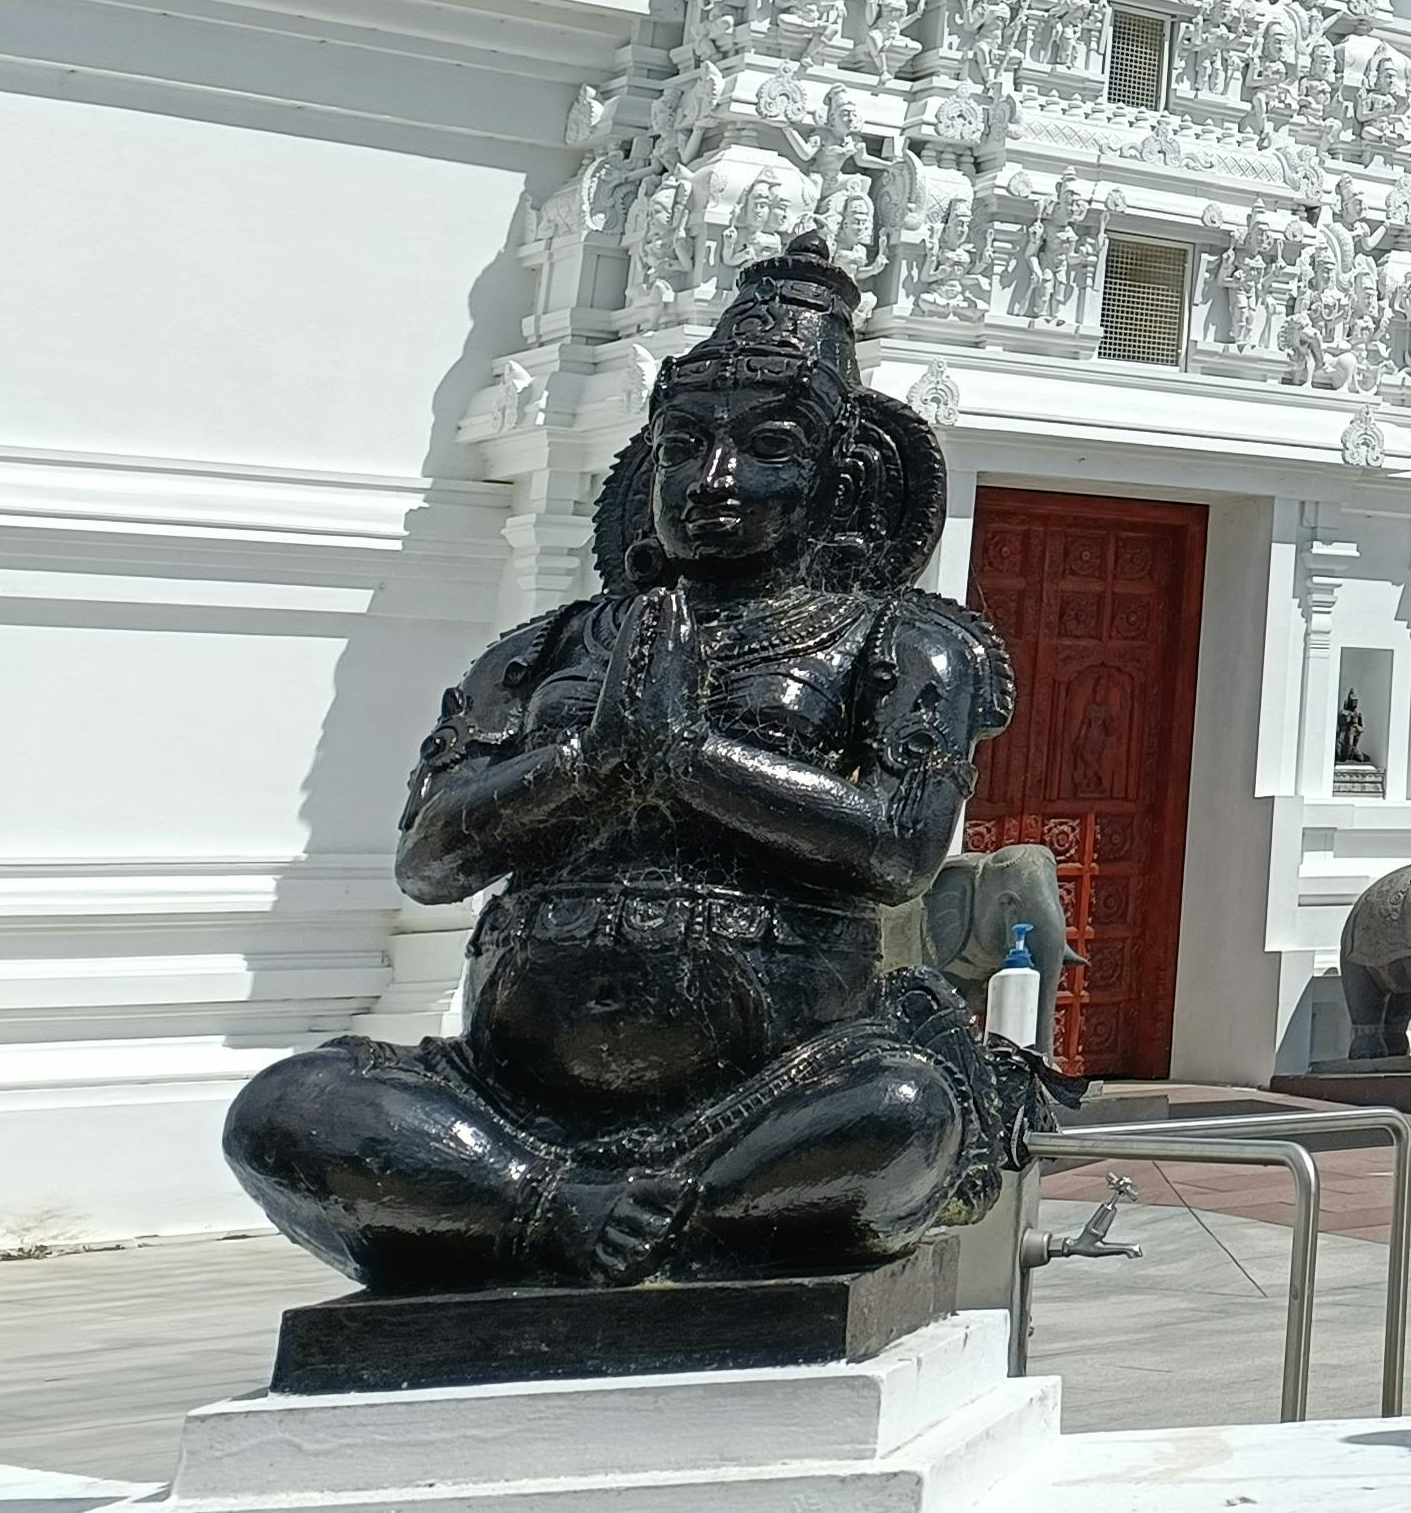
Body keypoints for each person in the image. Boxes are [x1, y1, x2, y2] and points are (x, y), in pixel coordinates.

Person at [222, 239, 1052, 1286]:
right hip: (512, 1096)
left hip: (777, 1092)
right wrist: (582, 762)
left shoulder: (900, 643)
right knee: (288, 1109)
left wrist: (691, 757)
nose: (714, 479)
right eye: (685, 444)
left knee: (902, 1112)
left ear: (839, 478)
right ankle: (555, 1201)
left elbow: (897, 851)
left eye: (768, 448)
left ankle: (636, 1207)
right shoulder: (543, 652)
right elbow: (430, 860)